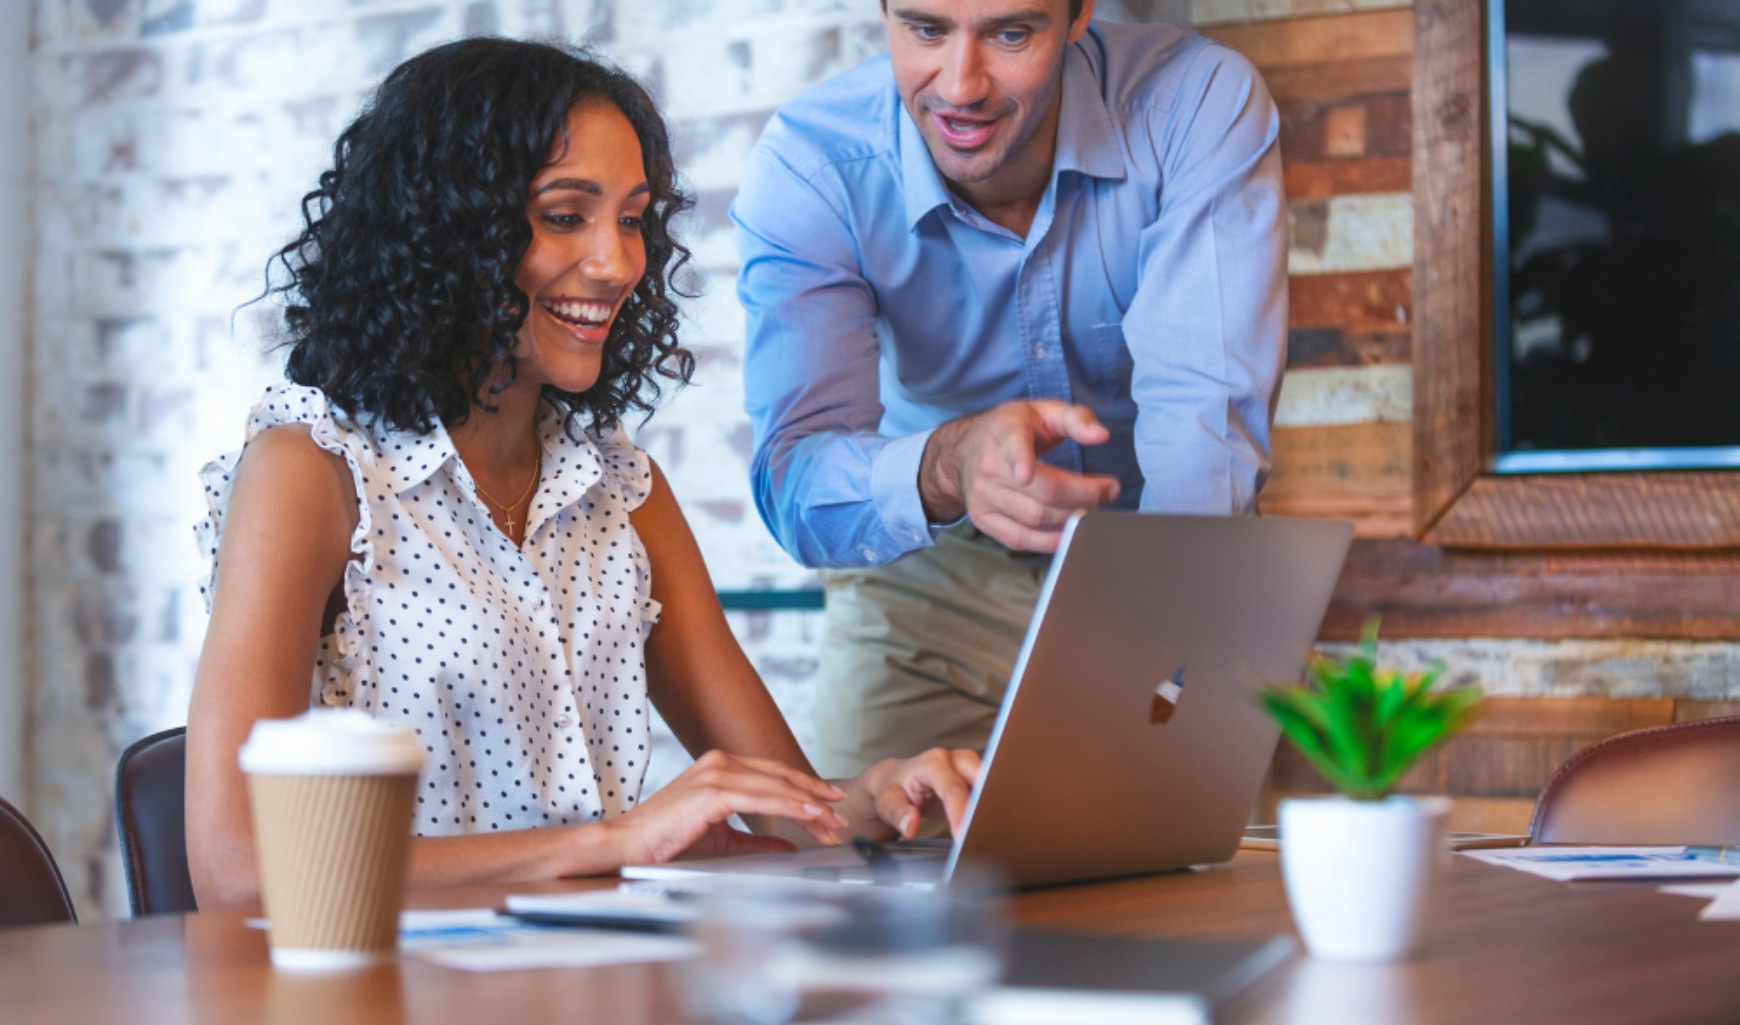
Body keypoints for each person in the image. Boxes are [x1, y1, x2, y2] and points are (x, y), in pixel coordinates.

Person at [186, 39, 979, 911]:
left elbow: (797, 812)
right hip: (389, 1011)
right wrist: (614, 844)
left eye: (633, 219)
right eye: (566, 216)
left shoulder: (620, 490)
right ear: (450, 231)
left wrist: (878, 798)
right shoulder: (313, 470)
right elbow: (237, 867)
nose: (616, 263)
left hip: (584, 996)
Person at [734, 0, 1288, 782]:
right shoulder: (812, 165)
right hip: (925, 577)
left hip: (1154, 552)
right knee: (882, 883)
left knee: (1185, 881)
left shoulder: (1193, 103)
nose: (960, 86)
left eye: (1011, 33)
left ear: (1079, 14)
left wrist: (1171, 663)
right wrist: (949, 465)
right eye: (925, 30)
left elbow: (1205, 433)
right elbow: (796, 481)